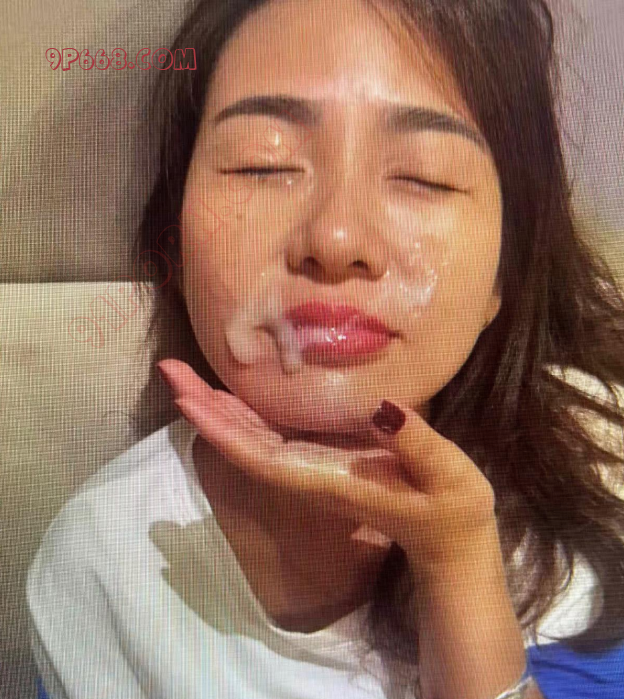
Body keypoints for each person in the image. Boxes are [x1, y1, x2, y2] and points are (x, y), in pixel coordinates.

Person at [27, 0, 624, 697]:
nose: (336, 240)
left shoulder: (606, 469)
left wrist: (458, 561)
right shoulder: (104, 565)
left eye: (425, 175)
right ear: (176, 247)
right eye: (263, 164)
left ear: (504, 274)